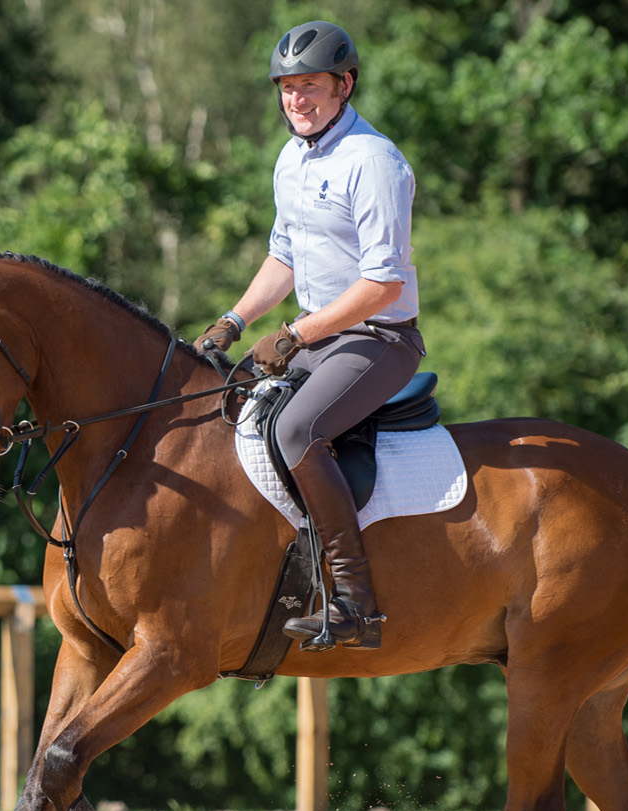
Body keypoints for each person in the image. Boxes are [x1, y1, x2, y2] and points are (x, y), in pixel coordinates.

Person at [197, 19, 423, 652]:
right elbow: (283, 259)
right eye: (287, 88)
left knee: (298, 429)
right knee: (231, 400)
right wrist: (233, 322)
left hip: (380, 339)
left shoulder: (374, 162)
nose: (296, 100)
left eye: (311, 86)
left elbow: (381, 286)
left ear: (344, 86)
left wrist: (293, 335)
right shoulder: (292, 158)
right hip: (320, 336)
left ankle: (355, 601)